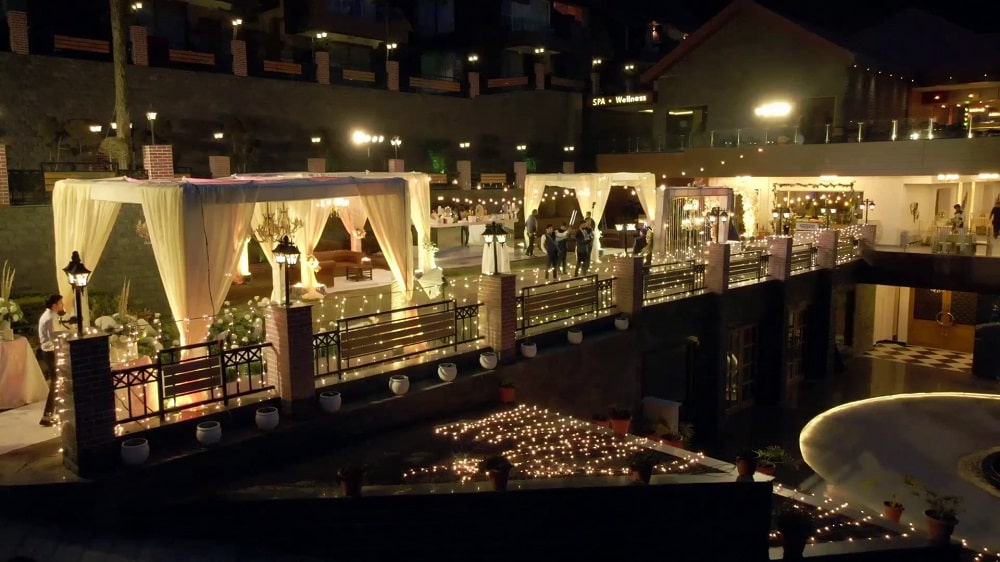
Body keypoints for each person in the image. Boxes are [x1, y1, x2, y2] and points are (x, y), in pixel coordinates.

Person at [37, 294, 65, 427]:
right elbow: (55, 337)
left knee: (57, 381)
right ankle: (48, 415)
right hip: (51, 352)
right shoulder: (50, 318)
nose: (63, 305)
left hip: (48, 351)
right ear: (54, 305)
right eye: (61, 303)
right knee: (56, 382)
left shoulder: (49, 315)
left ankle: (56, 411)